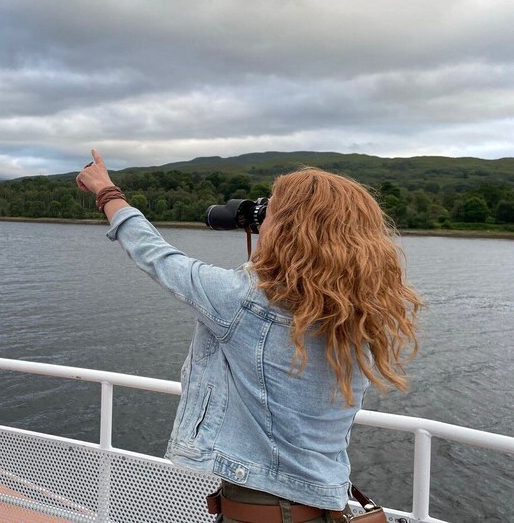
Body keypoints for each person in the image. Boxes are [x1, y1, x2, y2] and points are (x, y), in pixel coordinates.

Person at [76, 150, 422, 523]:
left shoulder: (242, 302)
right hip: (325, 507)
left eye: (269, 213)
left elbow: (156, 255)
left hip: (263, 512)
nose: (261, 221)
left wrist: (107, 192)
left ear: (286, 227)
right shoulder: (357, 312)